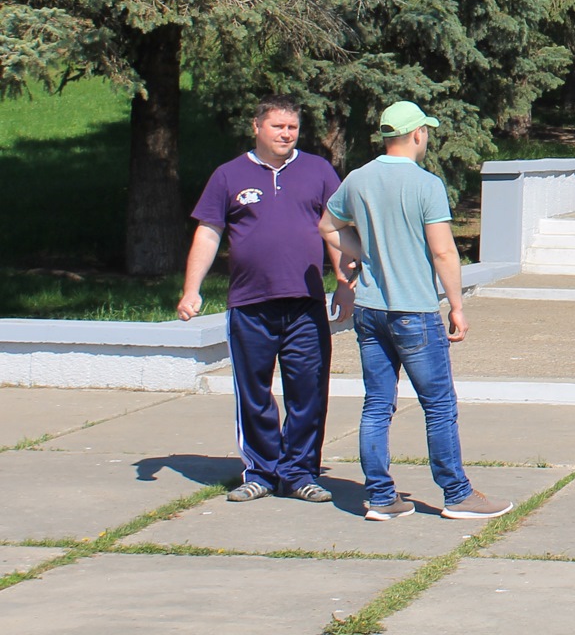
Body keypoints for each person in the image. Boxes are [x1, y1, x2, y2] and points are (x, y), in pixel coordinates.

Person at [320, 102, 512, 522]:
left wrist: (364, 254)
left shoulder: (357, 179)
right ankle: (457, 494)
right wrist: (457, 305)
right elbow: (443, 250)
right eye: (426, 132)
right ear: (417, 135)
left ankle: (380, 497)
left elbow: (328, 227)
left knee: (377, 404)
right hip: (415, 312)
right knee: (439, 405)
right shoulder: (426, 184)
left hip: (371, 310)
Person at [178, 96, 345, 504]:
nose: (286, 134)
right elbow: (209, 233)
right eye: (277, 126)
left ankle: (301, 472)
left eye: (292, 127)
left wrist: (344, 280)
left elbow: (336, 228)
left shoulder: (318, 171)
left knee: (308, 391)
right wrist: (191, 289)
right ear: (257, 126)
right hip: (250, 305)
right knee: (253, 391)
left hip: (305, 304)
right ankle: (261, 471)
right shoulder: (229, 175)